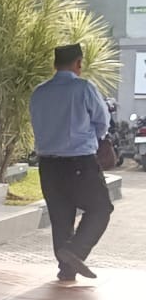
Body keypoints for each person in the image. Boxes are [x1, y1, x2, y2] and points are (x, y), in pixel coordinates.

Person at [29, 43, 113, 282]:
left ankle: (66, 270)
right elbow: (103, 121)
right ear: (78, 63)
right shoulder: (83, 88)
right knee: (100, 208)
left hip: (47, 165)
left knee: (61, 217)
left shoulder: (39, 92)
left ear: (55, 65)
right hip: (79, 162)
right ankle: (75, 251)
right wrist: (95, 138)